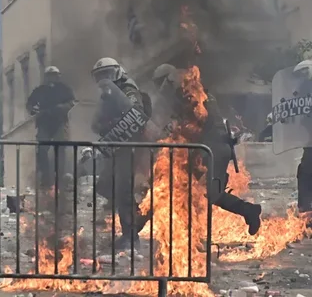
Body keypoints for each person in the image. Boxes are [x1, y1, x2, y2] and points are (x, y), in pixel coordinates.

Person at [154, 65, 262, 235]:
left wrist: (176, 129)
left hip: (213, 150)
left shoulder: (193, 96)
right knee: (186, 188)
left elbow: (198, 125)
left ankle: (249, 211)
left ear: (170, 79)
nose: (162, 88)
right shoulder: (192, 94)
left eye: (162, 83)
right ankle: (189, 233)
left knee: (213, 194)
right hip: (205, 151)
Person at [89, 57, 149, 250]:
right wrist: (107, 125)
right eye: (100, 76)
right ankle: (133, 222)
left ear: (116, 72)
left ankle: (131, 235)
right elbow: (96, 123)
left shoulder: (128, 90)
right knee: (106, 186)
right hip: (117, 147)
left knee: (123, 189)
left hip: (131, 147)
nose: (103, 79)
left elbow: (136, 113)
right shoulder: (106, 97)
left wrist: (117, 122)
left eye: (106, 74)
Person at [26, 66, 75, 186]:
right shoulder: (40, 90)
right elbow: (30, 104)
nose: (52, 78)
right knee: (42, 149)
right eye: (50, 75)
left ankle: (60, 178)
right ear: (46, 77)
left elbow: (71, 102)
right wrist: (34, 110)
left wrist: (60, 108)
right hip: (44, 123)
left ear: (58, 76)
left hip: (60, 121)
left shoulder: (64, 89)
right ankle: (45, 179)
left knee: (61, 149)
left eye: (54, 75)